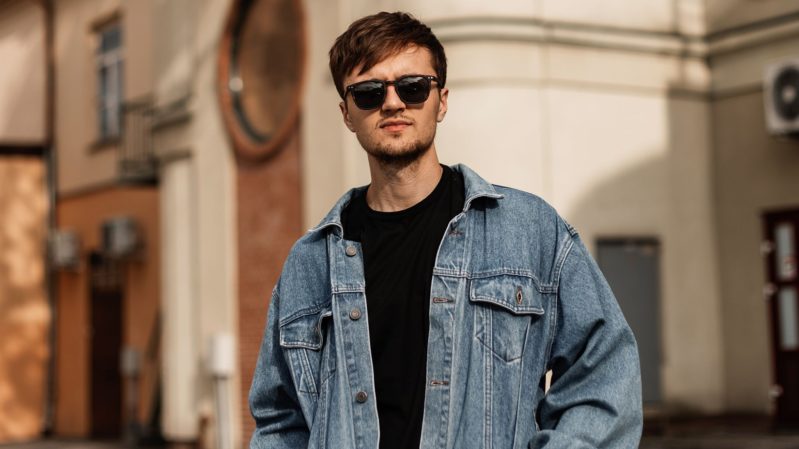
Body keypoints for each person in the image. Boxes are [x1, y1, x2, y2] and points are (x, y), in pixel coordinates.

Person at [249, 11, 642, 449]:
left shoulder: (530, 232)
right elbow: (280, 423)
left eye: (413, 87)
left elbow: (604, 372)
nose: (393, 103)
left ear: (443, 100)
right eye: (369, 93)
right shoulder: (309, 264)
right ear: (346, 113)